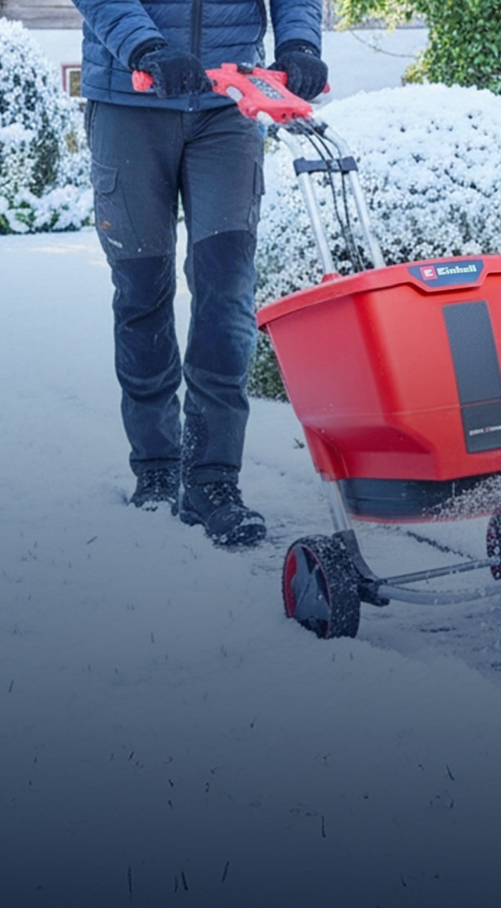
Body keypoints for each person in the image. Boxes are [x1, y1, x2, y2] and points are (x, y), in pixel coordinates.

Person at [72, 0, 327, 546]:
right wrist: (146, 46)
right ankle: (158, 466)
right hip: (130, 96)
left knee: (227, 291)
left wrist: (300, 44)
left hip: (228, 101)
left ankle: (213, 478)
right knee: (142, 292)